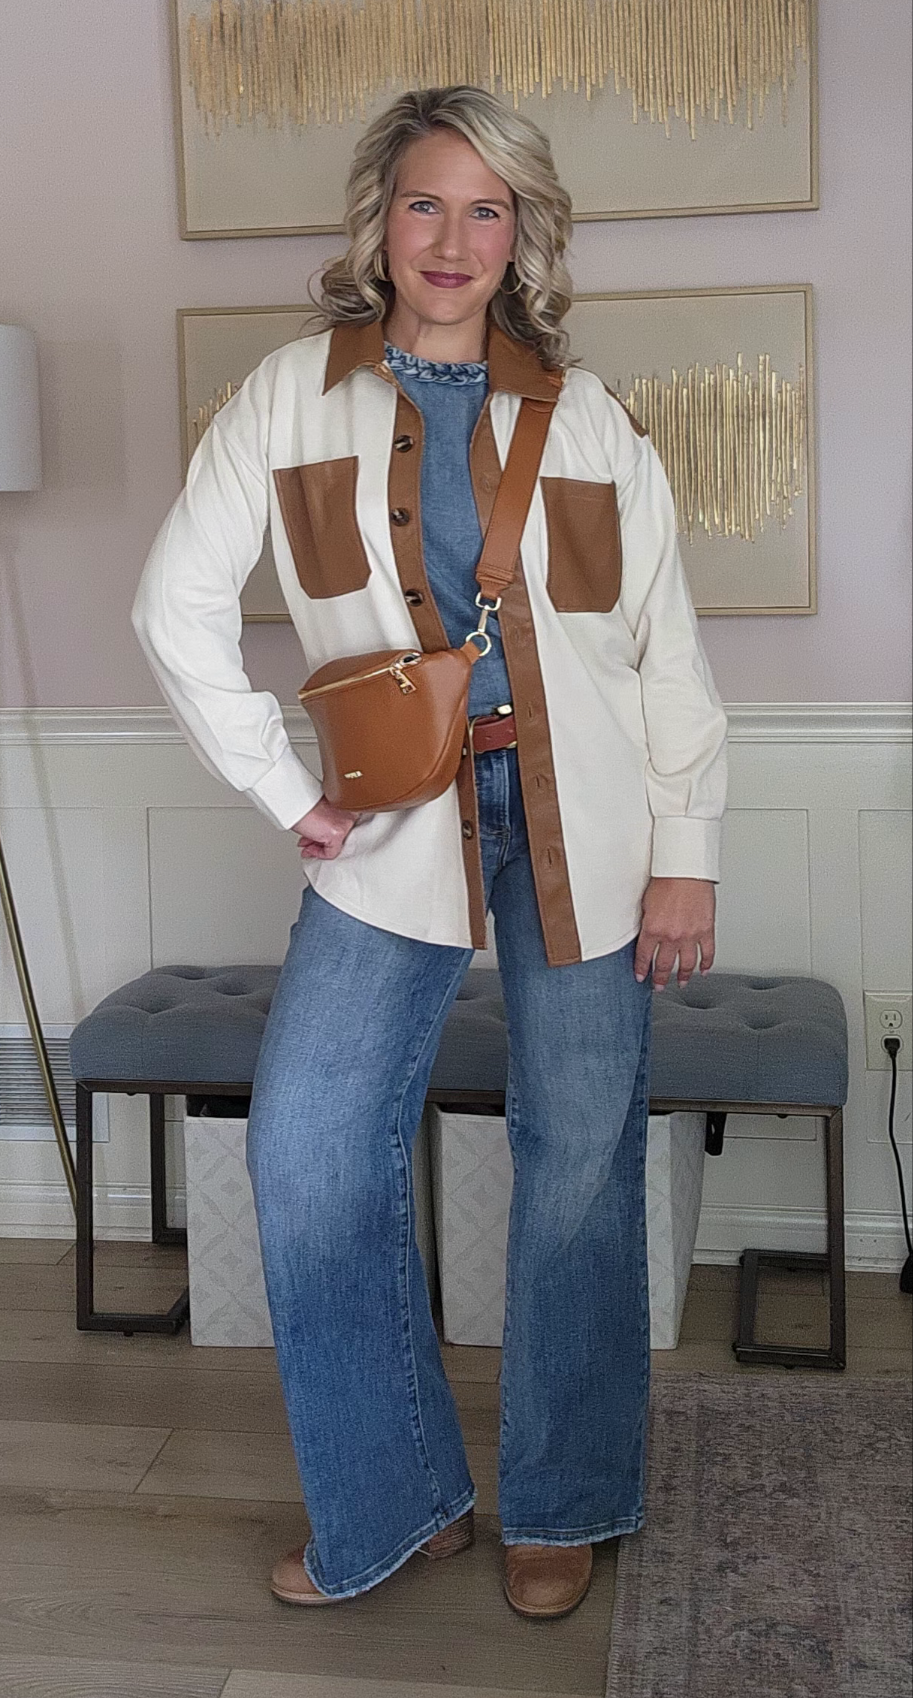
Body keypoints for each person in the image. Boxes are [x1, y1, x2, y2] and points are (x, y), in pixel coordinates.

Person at [131, 84, 728, 1621]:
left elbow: (665, 656)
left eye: (486, 207)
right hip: (390, 833)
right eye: (423, 203)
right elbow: (175, 608)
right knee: (310, 1150)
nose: (453, 237)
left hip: (590, 831)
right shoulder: (285, 399)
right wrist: (284, 790)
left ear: (520, 232)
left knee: (580, 1164)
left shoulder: (591, 420)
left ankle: (564, 1496)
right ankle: (393, 1497)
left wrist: (688, 854)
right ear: (376, 224)